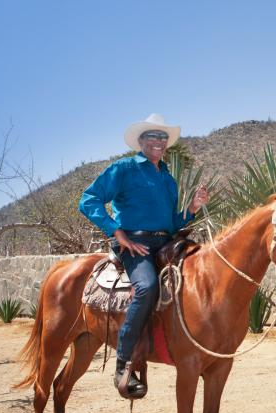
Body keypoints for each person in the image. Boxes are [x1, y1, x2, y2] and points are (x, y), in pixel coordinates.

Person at [79, 113, 208, 398]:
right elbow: (88, 200)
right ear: (140, 141)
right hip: (134, 244)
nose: (158, 141)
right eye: (152, 136)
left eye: (162, 137)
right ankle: (123, 365)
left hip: (165, 243)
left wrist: (192, 209)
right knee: (147, 287)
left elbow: (170, 224)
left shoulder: (168, 179)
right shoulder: (124, 168)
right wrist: (116, 232)